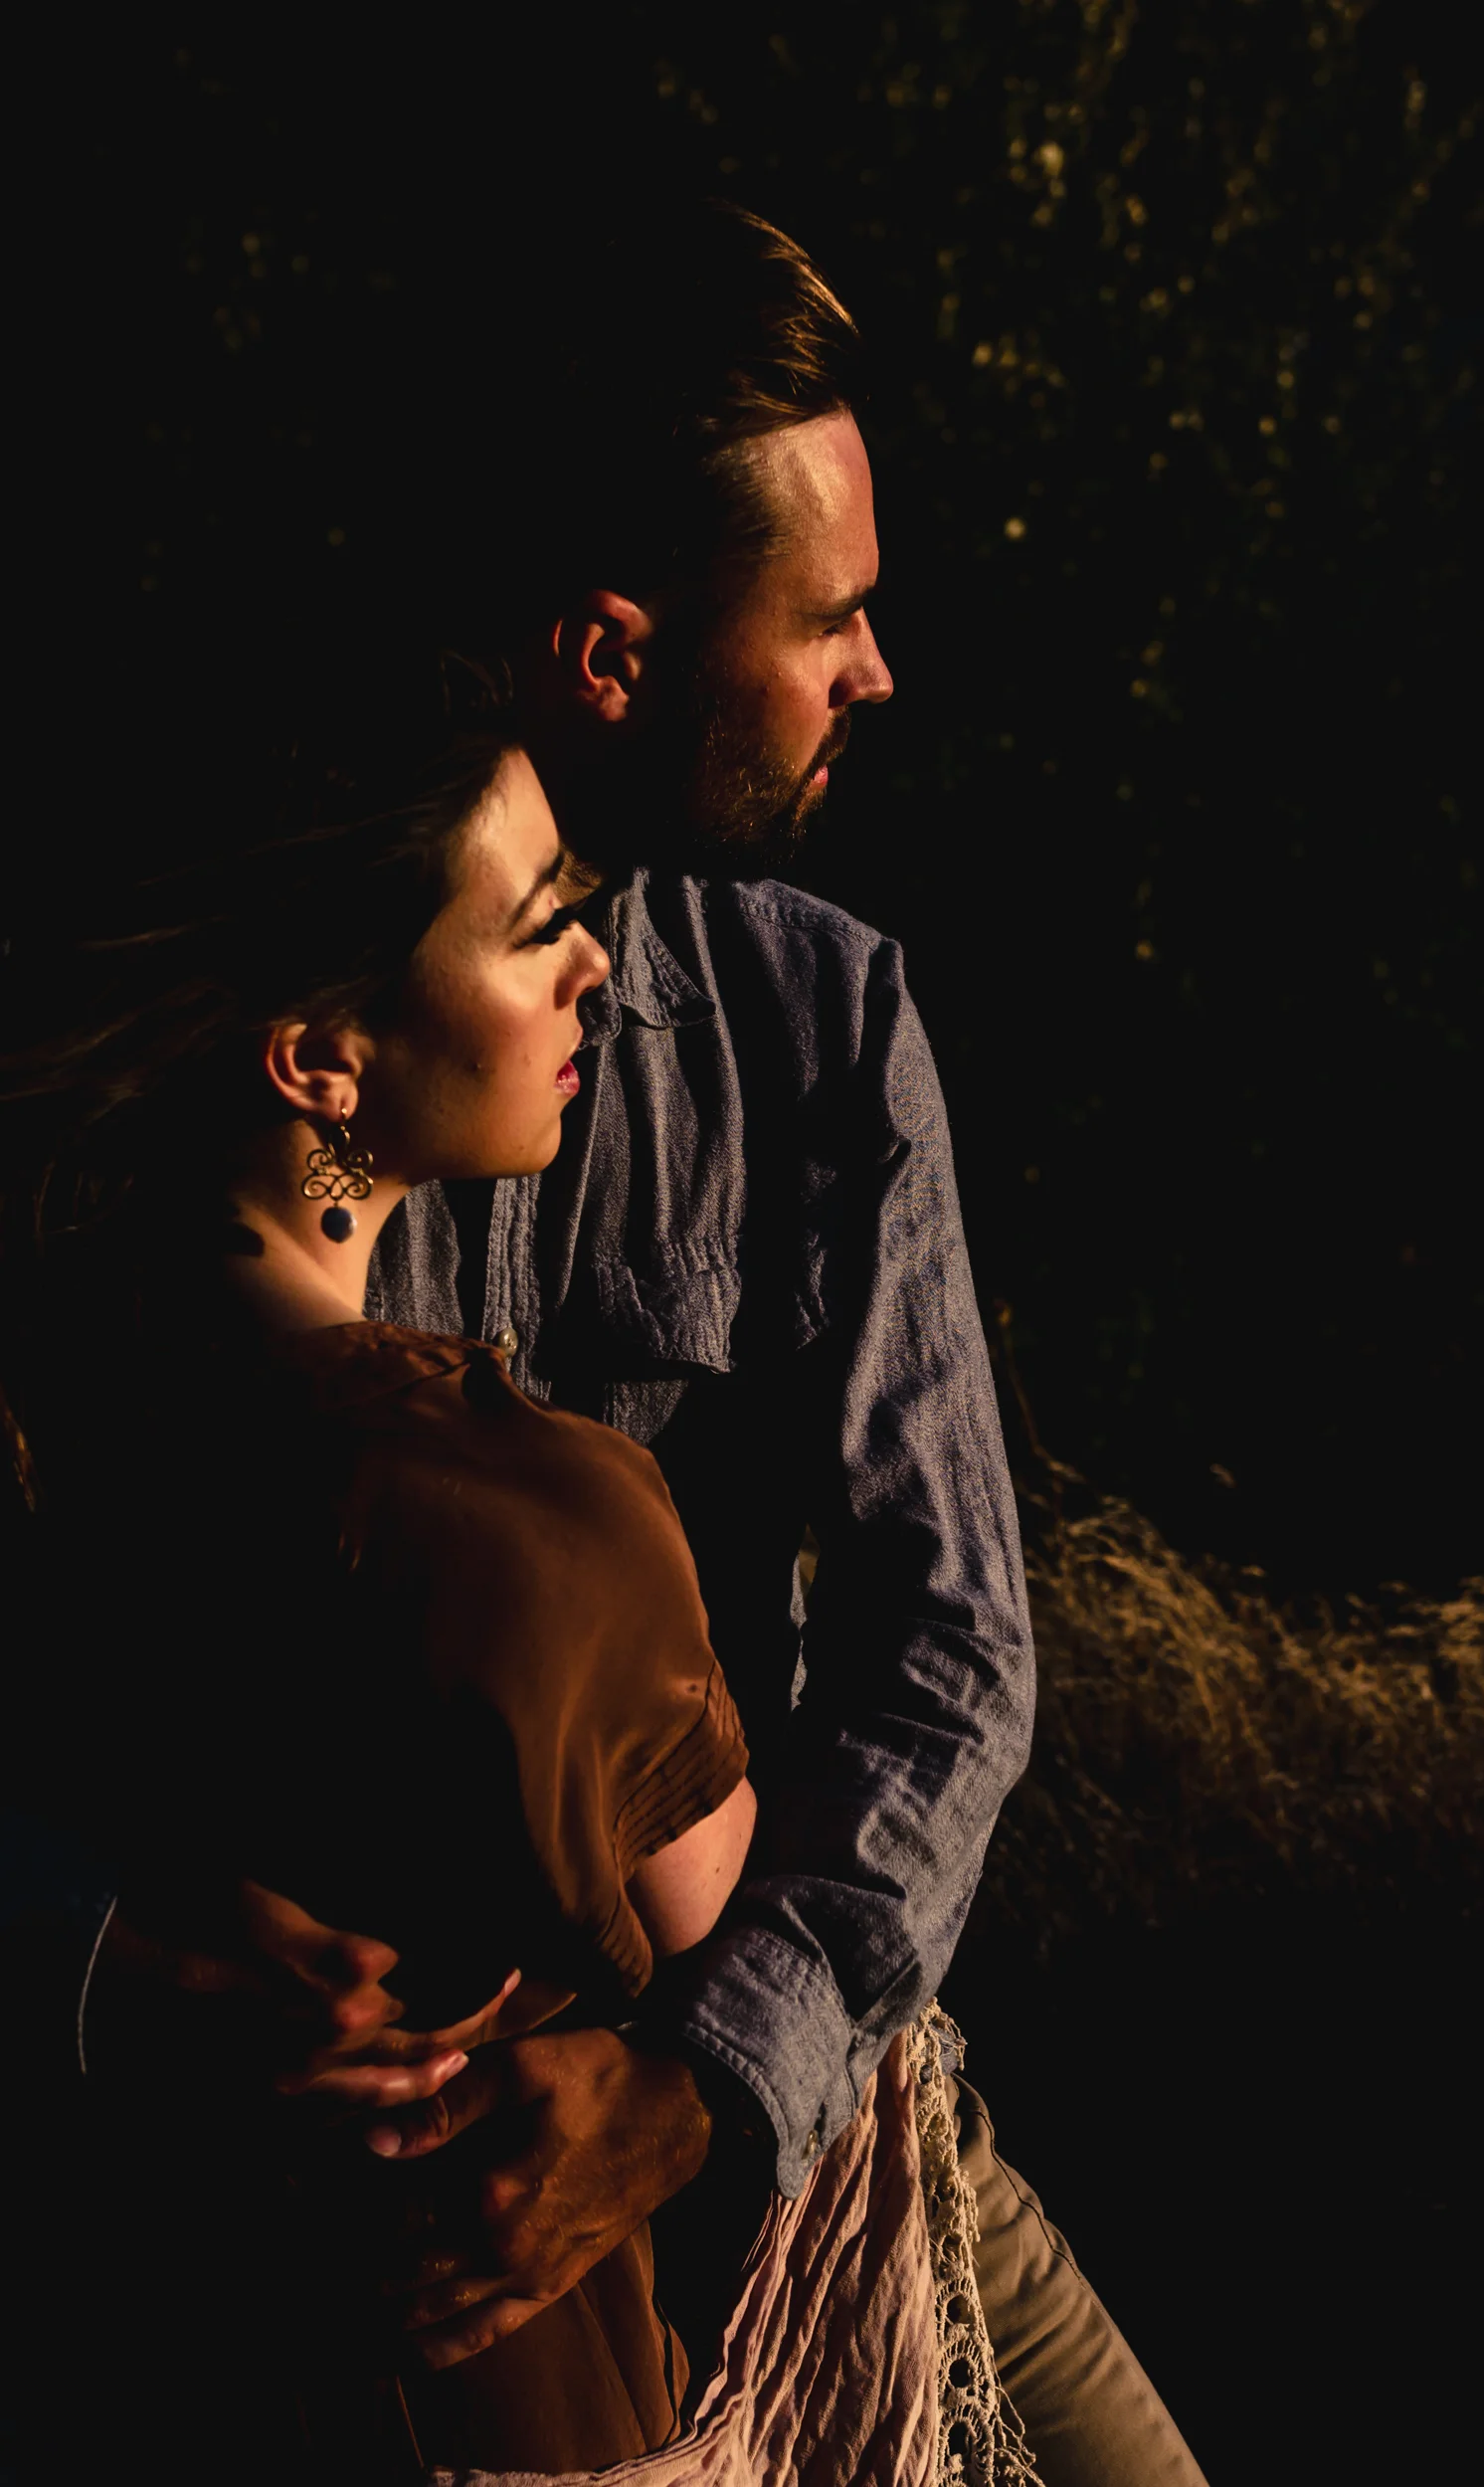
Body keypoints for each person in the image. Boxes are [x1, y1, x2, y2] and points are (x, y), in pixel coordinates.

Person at [7, 210, 1210, 2484]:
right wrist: (107, 1957)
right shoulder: (272, 998)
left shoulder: (822, 1027)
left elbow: (951, 1654)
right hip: (346, 2213)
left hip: (803, 2128)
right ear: (610, 650)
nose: (878, 673)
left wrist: (696, 2082)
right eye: (827, 620)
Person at [4, 642, 933, 2480]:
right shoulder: (533, 1523)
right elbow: (729, 1915)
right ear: (319, 1061)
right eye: (535, 933)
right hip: (501, 2405)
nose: (599, 966)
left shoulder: (76, 1430)